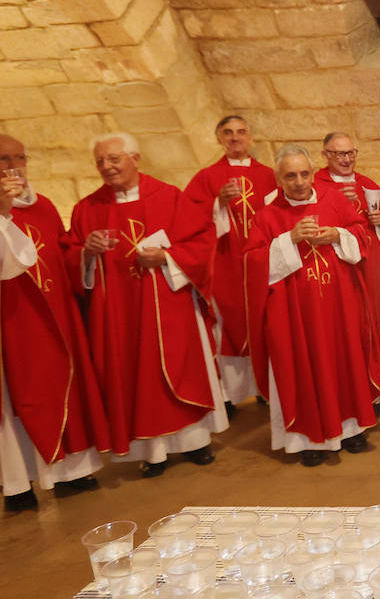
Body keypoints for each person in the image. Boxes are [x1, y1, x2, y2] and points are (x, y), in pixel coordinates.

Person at [64, 133, 227, 477]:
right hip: (118, 315)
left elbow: (201, 240)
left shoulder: (168, 197)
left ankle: (196, 442)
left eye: (114, 159)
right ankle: (153, 454)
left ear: (135, 158)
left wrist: (168, 257)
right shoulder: (87, 209)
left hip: (169, 304)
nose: (107, 167)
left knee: (180, 368)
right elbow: (70, 255)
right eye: (100, 162)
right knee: (133, 376)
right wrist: (86, 253)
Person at [245, 146, 380, 466]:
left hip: (339, 307)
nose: (298, 181)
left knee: (343, 360)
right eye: (290, 176)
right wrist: (288, 239)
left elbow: (362, 234)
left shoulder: (334, 200)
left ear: (312, 172)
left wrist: (337, 234)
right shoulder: (267, 216)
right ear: (279, 179)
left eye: (304, 173)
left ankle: (351, 430)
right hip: (294, 314)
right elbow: (253, 264)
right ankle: (307, 439)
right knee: (303, 366)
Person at [0, 136, 109, 511]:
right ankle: (19, 484)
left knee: (66, 382)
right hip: (12, 322)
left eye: (19, 157)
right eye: (3, 159)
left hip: (56, 312)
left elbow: (63, 251)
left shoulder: (44, 206)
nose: (12, 166)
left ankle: (73, 471)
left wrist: (85, 254)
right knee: (18, 398)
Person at [183, 116, 278, 411]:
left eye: (241, 132)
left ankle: (265, 386)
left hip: (262, 262)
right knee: (226, 326)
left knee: (265, 320)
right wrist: (216, 204)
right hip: (225, 263)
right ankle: (229, 394)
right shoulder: (207, 177)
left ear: (250, 137)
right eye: (228, 132)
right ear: (218, 138)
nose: (235, 138)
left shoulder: (270, 175)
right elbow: (187, 219)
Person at [313, 132, 380, 405]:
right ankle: (355, 390)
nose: (347, 159)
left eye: (351, 153)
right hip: (342, 273)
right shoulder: (315, 186)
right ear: (326, 155)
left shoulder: (368, 184)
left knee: (379, 321)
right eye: (340, 154)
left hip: (373, 270)